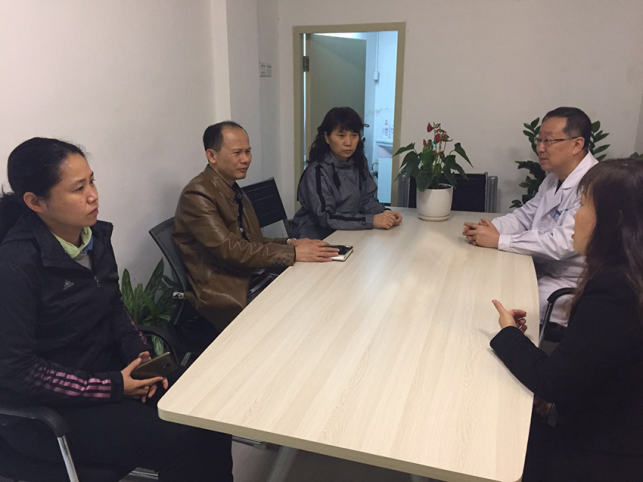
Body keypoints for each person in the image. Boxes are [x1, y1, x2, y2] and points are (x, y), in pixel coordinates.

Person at [0, 138, 233, 481]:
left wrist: (139, 356)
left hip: (111, 376)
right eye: (78, 188)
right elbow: (19, 370)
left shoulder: (93, 237)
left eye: (92, 181)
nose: (93, 196)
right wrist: (112, 386)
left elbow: (113, 307)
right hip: (52, 410)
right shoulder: (15, 265)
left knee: (209, 409)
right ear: (36, 202)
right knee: (180, 439)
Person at [490, 159, 643, 481]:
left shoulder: (614, 291)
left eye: (584, 205)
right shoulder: (629, 277)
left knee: (489, 435)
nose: (575, 215)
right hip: (606, 421)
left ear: (613, 220)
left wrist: (508, 333)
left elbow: (551, 381)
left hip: (604, 453)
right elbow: (592, 369)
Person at [174, 121, 338, 332]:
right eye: (237, 153)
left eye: (248, 151)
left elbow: (252, 241)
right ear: (212, 156)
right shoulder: (197, 195)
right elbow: (231, 250)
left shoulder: (231, 188)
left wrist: (291, 243)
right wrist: (293, 253)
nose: (245, 159)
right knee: (303, 312)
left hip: (248, 275)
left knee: (319, 290)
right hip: (227, 288)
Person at [463, 107, 598, 327]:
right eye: (539, 140)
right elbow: (525, 216)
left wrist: (499, 240)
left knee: (496, 302)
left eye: (549, 141)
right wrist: (489, 228)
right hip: (541, 269)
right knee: (486, 282)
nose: (540, 148)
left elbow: (562, 243)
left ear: (577, 144)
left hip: (570, 285)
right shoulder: (554, 177)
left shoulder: (594, 185)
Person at [290, 107, 403, 240]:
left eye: (354, 135)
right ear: (326, 137)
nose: (348, 143)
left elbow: (366, 200)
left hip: (349, 231)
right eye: (341, 136)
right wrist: (371, 220)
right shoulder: (316, 171)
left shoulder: (359, 162)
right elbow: (326, 217)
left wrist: (385, 213)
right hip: (315, 236)